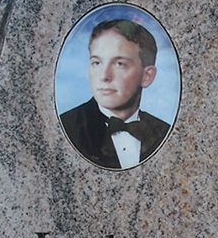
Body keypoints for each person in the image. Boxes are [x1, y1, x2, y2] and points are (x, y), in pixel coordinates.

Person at [60, 19, 170, 169]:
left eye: (119, 64)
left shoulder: (163, 132)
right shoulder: (67, 127)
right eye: (96, 63)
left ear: (147, 76)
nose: (104, 76)